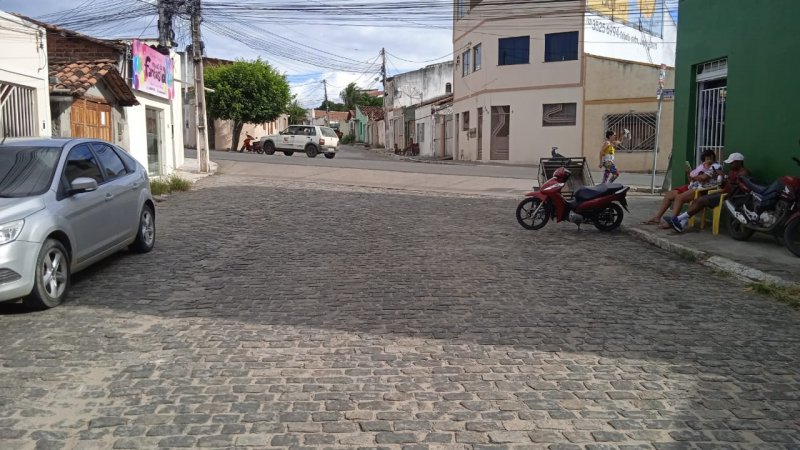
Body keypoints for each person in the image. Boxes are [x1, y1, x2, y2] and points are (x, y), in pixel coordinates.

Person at [668, 152, 749, 233]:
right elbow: (726, 184)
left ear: (739, 162)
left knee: (701, 200)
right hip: (723, 192)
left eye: (732, 163)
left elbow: (736, 187)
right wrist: (722, 178)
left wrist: (724, 178)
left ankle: (678, 219)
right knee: (697, 200)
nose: (730, 165)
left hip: (730, 196)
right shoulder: (732, 171)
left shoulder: (743, 173)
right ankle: (681, 224)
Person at [641, 149, 722, 227]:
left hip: (702, 189)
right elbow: (693, 179)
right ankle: (657, 218)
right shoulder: (702, 166)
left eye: (707, 159)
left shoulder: (716, 166)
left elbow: (703, 178)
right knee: (669, 195)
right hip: (693, 185)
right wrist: (689, 173)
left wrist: (696, 176)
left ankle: (672, 221)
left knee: (679, 198)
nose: (705, 161)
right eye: (704, 160)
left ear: (712, 157)